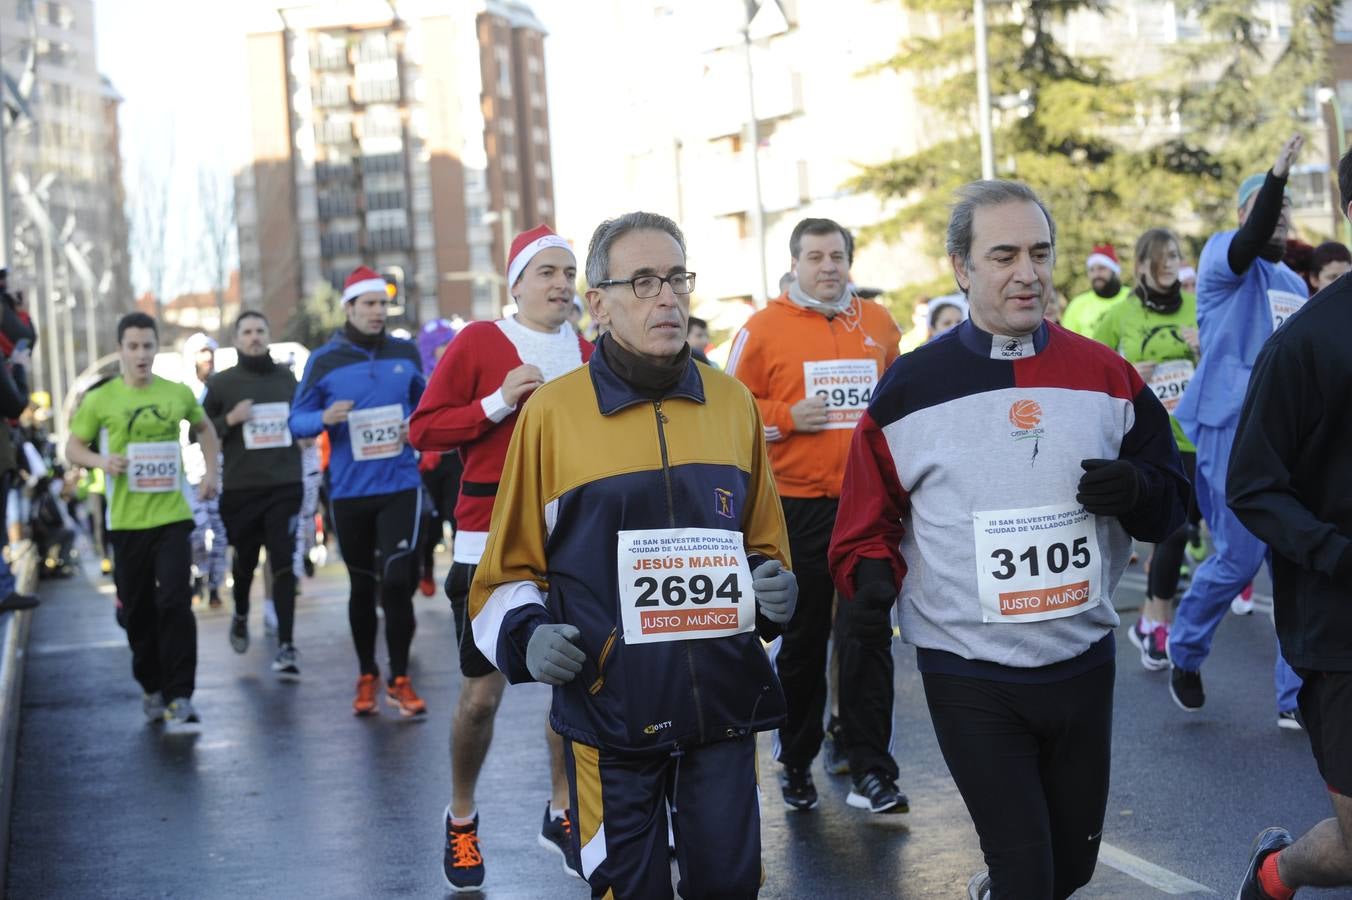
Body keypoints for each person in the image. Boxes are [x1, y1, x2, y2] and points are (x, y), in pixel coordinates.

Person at [829, 180, 1187, 900]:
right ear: (962, 268)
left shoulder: (1105, 374)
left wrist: (1140, 490)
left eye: (1038, 252)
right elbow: (864, 521)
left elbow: (1175, 500)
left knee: (1071, 871)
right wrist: (868, 581)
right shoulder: (911, 387)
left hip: (1081, 660)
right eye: (1003, 256)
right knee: (1029, 875)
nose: (1027, 272)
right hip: (970, 669)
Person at [467, 211, 795, 900]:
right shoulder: (553, 415)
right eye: (642, 282)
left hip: (723, 707)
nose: (667, 298)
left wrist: (776, 594)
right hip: (610, 714)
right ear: (598, 305)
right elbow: (503, 577)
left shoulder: (734, 405)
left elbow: (766, 548)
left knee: (731, 888)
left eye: (676, 278)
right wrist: (525, 635)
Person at [409, 224, 593, 891]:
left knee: (571, 686)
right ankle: (461, 817)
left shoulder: (588, 349)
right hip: (486, 542)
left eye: (569, 273)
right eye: (546, 272)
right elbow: (423, 429)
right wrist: (495, 401)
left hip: (570, 541)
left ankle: (562, 810)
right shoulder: (481, 341)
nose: (560, 284)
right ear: (516, 283)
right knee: (481, 698)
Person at [726, 217, 905, 815]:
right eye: (815, 257)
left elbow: (900, 402)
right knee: (801, 642)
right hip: (795, 507)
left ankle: (871, 767)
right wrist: (783, 416)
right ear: (795, 265)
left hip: (866, 507)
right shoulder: (762, 328)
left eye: (837, 255)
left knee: (868, 636)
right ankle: (795, 760)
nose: (828, 266)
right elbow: (728, 408)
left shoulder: (878, 324)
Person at [1226, 148, 1352, 900]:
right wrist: (1337, 555)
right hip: (1342, 626)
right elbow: (1253, 487)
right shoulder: (1306, 342)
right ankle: (1278, 871)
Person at [1167, 134, 1307, 727]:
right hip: (1228, 427)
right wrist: (1274, 176)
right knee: (1241, 557)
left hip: (1288, 439)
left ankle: (1295, 697)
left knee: (1295, 562)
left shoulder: (1295, 286)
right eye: (1265, 210)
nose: (1276, 222)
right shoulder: (1223, 257)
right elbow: (1252, 238)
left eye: (1283, 213)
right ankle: (1185, 651)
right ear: (1246, 215)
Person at [65, 312, 221, 728]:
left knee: (174, 602)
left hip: (172, 515)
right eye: (132, 347)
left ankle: (180, 694)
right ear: (120, 350)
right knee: (137, 610)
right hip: (126, 521)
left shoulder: (176, 392)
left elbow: (206, 430)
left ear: (156, 348)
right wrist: (102, 461)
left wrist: (209, 474)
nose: (141, 355)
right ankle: (152, 685)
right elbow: (73, 448)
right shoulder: (101, 399)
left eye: (147, 346)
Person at [290, 266, 428, 718]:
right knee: (362, 585)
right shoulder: (323, 360)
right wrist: (324, 418)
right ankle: (367, 672)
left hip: (400, 485)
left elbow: (428, 405)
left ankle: (401, 678)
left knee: (396, 579)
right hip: (350, 491)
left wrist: (417, 427)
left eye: (382, 305)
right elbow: (297, 420)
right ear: (349, 308)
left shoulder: (404, 352)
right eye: (367, 304)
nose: (376, 312)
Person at [1092, 228, 1201, 670]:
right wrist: (1127, 371)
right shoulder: (1122, 315)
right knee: (1172, 530)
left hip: (1193, 434)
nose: (1171, 262)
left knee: (1183, 534)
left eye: (1176, 254)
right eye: (1162, 256)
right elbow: (1089, 370)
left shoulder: (1198, 309)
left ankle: (1152, 622)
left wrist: (1203, 346)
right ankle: (1158, 622)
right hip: (1148, 438)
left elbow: (1223, 361)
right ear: (1141, 265)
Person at [202, 311, 304, 677]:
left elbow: (303, 419)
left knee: (282, 564)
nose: (254, 337)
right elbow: (196, 433)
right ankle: (241, 612)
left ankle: (288, 645)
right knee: (244, 563)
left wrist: (305, 430)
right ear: (236, 339)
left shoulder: (287, 379)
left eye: (260, 330)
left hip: (285, 485)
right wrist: (229, 420)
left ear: (269, 335)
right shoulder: (221, 385)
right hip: (242, 489)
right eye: (247, 332)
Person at [414, 318, 461, 598]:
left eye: (450, 342)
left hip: (455, 458)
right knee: (430, 527)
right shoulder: (418, 378)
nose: (448, 348)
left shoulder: (461, 372)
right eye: (443, 344)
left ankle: (460, 576)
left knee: (457, 520)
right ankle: (427, 568)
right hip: (426, 462)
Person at [181, 332, 228, 610]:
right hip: (190, 474)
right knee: (197, 532)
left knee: (220, 533)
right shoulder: (184, 391)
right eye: (201, 352)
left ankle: (215, 587)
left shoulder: (222, 388)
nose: (207, 358)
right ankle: (197, 575)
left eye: (210, 352)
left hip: (219, 471)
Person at [1061, 243, 1131, 339]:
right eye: (1091, 270)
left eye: (1102, 268)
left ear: (1115, 270)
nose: (1096, 274)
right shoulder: (1077, 305)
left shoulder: (1133, 297)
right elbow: (1067, 341)